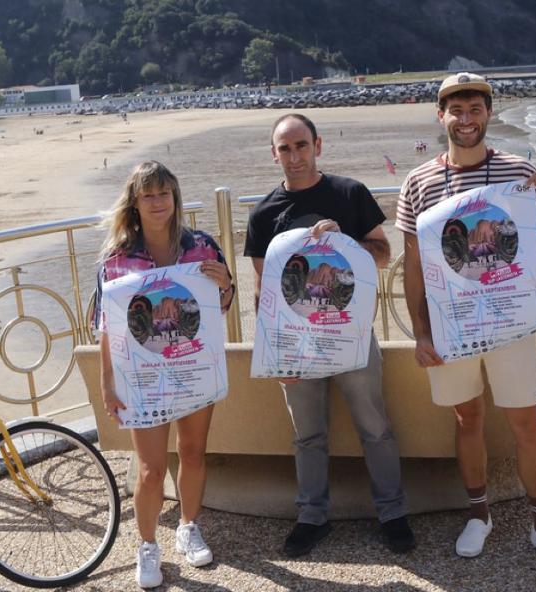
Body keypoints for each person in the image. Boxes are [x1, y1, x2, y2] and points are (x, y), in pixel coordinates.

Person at [396, 73, 536, 567]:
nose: (466, 119)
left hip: (511, 320)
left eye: (475, 109)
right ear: (441, 116)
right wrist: (421, 332)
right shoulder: (418, 181)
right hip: (451, 323)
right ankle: (479, 515)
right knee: (467, 418)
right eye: (456, 110)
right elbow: (414, 265)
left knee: (526, 421)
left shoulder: (519, 170)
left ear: (488, 114)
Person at [244, 113, 414, 557]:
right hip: (295, 345)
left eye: (302, 145)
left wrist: (347, 243)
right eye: (285, 148)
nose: (295, 156)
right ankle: (311, 516)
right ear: (274, 154)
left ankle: (392, 512)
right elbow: (263, 289)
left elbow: (383, 253)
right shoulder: (263, 214)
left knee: (375, 427)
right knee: (308, 435)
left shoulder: (349, 193)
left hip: (351, 336)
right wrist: (275, 355)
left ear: (317, 146)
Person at [93, 161, 235, 589]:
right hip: (143, 378)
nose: (157, 202)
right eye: (148, 195)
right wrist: (107, 381)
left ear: (175, 198)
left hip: (193, 367)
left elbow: (221, 306)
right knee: (150, 469)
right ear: (134, 204)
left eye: (164, 193)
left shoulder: (202, 246)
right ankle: (147, 545)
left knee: (193, 453)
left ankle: (189, 526)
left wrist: (226, 284)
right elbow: (107, 326)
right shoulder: (116, 259)